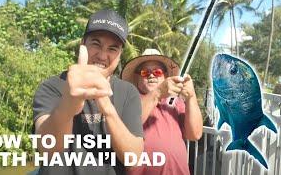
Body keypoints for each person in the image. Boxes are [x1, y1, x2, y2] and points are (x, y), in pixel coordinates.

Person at [33, 9, 143, 175]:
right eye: (96, 44)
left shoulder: (129, 92)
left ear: (120, 55)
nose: (102, 55)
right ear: (82, 44)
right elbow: (47, 149)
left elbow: (133, 159)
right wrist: (69, 102)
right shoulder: (52, 86)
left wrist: (104, 101)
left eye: (112, 49)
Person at [121, 49, 203, 175]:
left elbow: (195, 134)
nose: (151, 75)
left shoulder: (176, 102)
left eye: (157, 72)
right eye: (145, 72)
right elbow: (128, 125)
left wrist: (191, 97)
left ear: (165, 76)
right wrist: (158, 93)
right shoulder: (129, 99)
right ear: (137, 77)